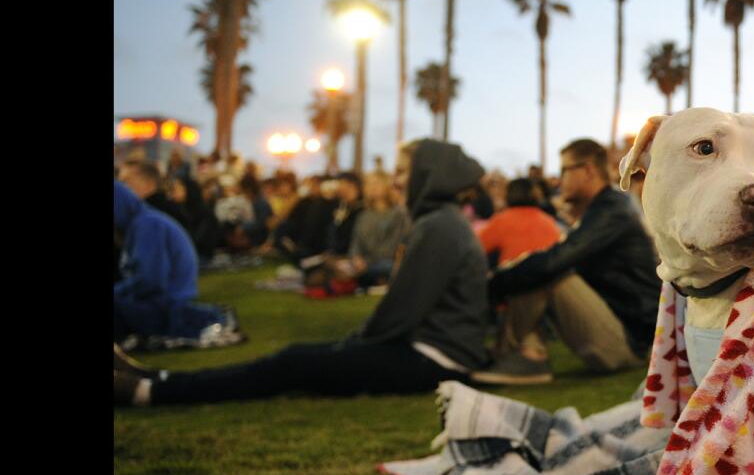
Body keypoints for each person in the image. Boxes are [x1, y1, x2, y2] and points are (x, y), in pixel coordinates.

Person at [114, 139, 494, 406]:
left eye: (401, 171)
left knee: (293, 362)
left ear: (427, 174)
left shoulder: (439, 227)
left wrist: (353, 347)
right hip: (425, 352)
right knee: (303, 357)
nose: (395, 180)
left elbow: (401, 311)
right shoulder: (440, 222)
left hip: (435, 364)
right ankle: (159, 379)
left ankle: (151, 392)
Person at [471, 138, 661, 386]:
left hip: (632, 346)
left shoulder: (612, 209)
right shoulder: (606, 207)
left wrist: (493, 283)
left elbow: (554, 261)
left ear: (588, 170)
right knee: (535, 268)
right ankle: (518, 352)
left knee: (547, 272)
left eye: (564, 170)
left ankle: (529, 356)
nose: (560, 181)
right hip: (625, 336)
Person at [113, 182, 227, 344]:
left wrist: (117, 291)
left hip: (166, 307)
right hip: (160, 303)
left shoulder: (147, 225)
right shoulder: (140, 224)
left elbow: (151, 281)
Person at [340, 170, 409, 289]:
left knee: (388, 267)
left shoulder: (398, 214)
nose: (372, 187)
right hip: (363, 265)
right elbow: (355, 244)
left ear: (386, 185)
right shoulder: (363, 215)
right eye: (369, 183)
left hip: (385, 263)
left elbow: (393, 247)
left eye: (376, 183)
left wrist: (366, 262)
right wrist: (356, 258)